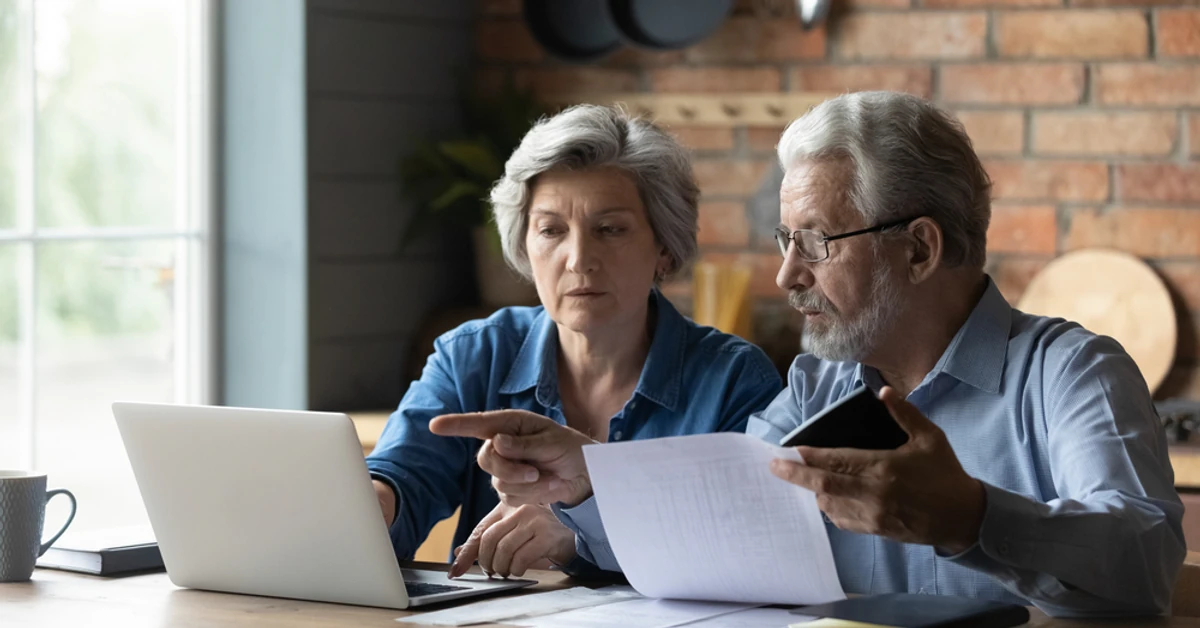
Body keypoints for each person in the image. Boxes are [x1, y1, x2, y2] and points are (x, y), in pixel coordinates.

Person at [437, 92, 1186, 618]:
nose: (787, 277)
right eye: (785, 241)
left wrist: (971, 518)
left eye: (817, 244)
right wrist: (590, 482)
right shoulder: (813, 386)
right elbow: (719, 521)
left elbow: (1146, 564)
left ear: (920, 248)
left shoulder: (1071, 372)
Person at [366, 104, 781, 580]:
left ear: (664, 247)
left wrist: (582, 536)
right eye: (551, 230)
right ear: (525, 245)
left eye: (610, 229)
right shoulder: (474, 356)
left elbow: (751, 549)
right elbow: (404, 476)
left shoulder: (735, 381)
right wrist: (374, 506)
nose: (579, 259)